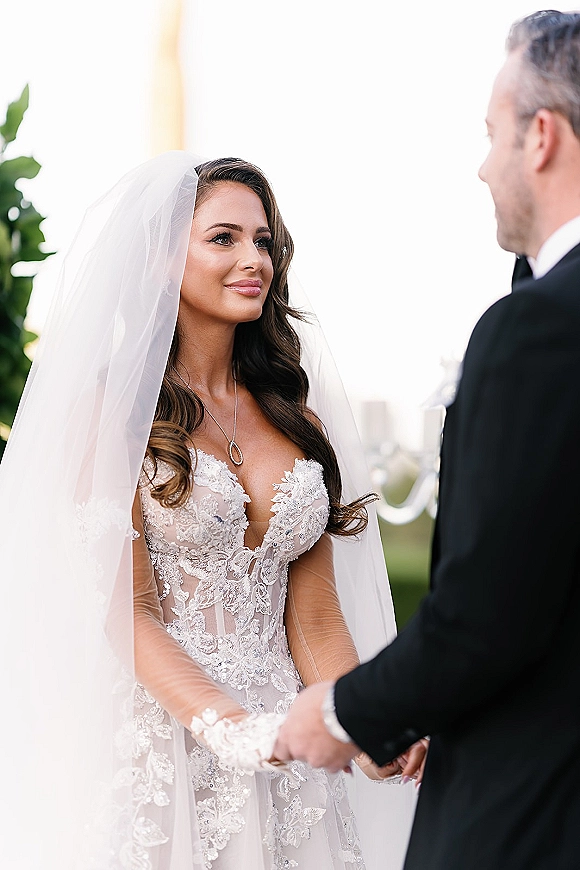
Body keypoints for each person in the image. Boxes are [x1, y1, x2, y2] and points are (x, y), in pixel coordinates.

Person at [0, 154, 418, 869]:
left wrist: (362, 723)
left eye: (263, 241)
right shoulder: (113, 416)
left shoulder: (295, 415)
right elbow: (126, 611)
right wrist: (229, 729)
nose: (252, 258)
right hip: (169, 743)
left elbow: (314, 621)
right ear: (162, 260)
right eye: (223, 237)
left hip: (291, 756)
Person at [275, 10, 580, 870]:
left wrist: (343, 713)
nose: (482, 167)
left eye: (492, 136)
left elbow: (489, 616)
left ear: (543, 137)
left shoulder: (537, 331)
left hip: (534, 814)